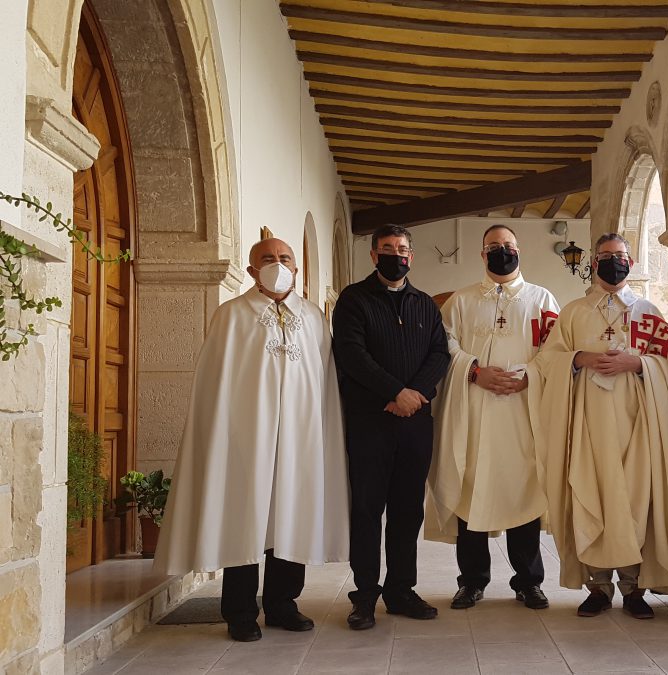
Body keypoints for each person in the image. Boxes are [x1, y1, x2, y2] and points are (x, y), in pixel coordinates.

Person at [155, 237, 349, 642]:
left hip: (300, 436)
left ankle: (283, 604)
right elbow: (215, 383)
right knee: (245, 516)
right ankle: (240, 611)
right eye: (267, 259)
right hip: (245, 439)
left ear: (296, 269)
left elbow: (324, 381)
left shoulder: (313, 317)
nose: (277, 264)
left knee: (291, 515)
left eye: (284, 259)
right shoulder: (231, 315)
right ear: (250, 270)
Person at [531, 233, 668, 620]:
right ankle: (599, 587)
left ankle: (635, 588)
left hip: (637, 422)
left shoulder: (649, 311)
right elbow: (547, 359)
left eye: (619, 256)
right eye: (605, 256)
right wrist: (579, 356)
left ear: (632, 262)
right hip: (587, 419)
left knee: (636, 500)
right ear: (593, 262)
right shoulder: (572, 312)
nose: (613, 262)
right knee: (591, 494)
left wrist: (638, 364)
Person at [427, 224, 560, 611]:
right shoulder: (462, 301)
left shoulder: (542, 298)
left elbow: (555, 348)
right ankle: (471, 581)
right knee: (471, 488)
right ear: (482, 255)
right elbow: (444, 344)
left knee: (523, 488)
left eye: (508, 245)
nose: (502, 251)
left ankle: (529, 581)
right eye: (493, 247)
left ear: (519, 251)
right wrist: (473, 370)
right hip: (474, 410)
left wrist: (528, 377)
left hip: (522, 410)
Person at [333, 224, 450, 631]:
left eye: (402, 249)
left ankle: (401, 590)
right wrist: (394, 391)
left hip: (415, 422)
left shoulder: (424, 304)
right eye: (387, 248)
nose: (395, 255)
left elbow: (440, 352)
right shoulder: (354, 299)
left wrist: (415, 393)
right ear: (373, 255)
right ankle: (364, 595)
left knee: (407, 511)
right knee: (367, 509)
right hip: (370, 422)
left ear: (411, 257)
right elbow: (351, 354)